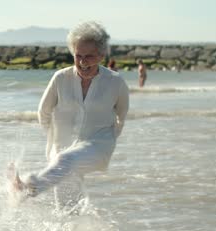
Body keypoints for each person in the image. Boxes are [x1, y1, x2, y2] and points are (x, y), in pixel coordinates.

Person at [10, 21, 129, 210]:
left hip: (97, 146)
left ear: (101, 55)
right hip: (61, 151)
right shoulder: (60, 78)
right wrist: (54, 140)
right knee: (67, 211)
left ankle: (28, 188)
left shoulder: (116, 82)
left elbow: (121, 117)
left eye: (89, 56)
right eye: (78, 56)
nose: (82, 62)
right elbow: (44, 112)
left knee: (66, 160)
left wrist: (108, 139)